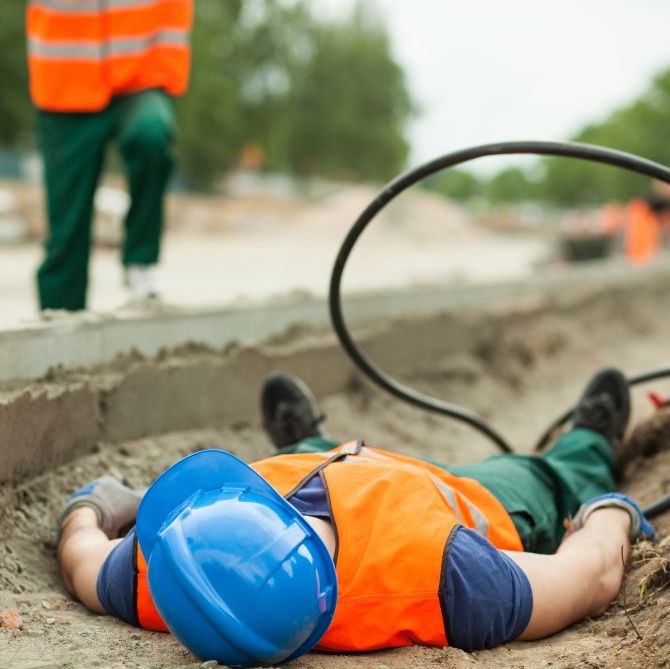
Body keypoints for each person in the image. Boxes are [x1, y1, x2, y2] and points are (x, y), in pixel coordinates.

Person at [57, 368, 656, 667]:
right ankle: (587, 443)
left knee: (316, 458)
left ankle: (314, 440)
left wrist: (93, 505)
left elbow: (84, 555)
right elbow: (591, 576)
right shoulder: (451, 579)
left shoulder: (170, 576)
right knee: (546, 477)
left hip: (329, 463)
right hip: (460, 498)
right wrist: (610, 513)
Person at [26, 1, 193, 310]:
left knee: (151, 134)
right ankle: (61, 320)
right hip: (65, 80)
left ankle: (141, 263)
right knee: (67, 229)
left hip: (140, 72)